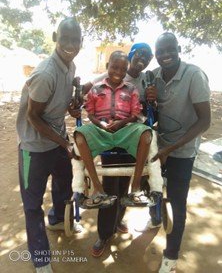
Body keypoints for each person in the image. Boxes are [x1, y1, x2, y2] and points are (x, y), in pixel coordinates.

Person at [72, 44, 163, 257]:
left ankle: (123, 209)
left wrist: (126, 122)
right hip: (104, 134)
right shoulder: (100, 83)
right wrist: (99, 121)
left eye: (147, 56)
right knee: (111, 183)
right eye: (115, 68)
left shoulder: (139, 84)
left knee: (124, 183)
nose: (119, 73)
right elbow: (90, 107)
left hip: (127, 133)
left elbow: (140, 113)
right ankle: (104, 234)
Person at [16, 17, 83, 273]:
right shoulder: (46, 73)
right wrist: (62, 143)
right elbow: (33, 117)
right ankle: (41, 258)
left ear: (81, 42)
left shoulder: (71, 66)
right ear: (55, 38)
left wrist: (72, 107)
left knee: (65, 182)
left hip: (55, 139)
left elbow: (57, 105)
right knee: (32, 205)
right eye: (65, 38)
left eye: (75, 40)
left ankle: (56, 219)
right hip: (33, 146)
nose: (70, 44)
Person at [145, 32, 211, 273]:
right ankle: (154, 217)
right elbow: (131, 82)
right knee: (151, 187)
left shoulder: (194, 75)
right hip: (159, 147)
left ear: (179, 49)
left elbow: (205, 121)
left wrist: (170, 149)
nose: (165, 55)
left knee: (176, 202)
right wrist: (148, 100)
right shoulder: (154, 76)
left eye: (169, 50)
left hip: (182, 151)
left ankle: (171, 257)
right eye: (160, 51)